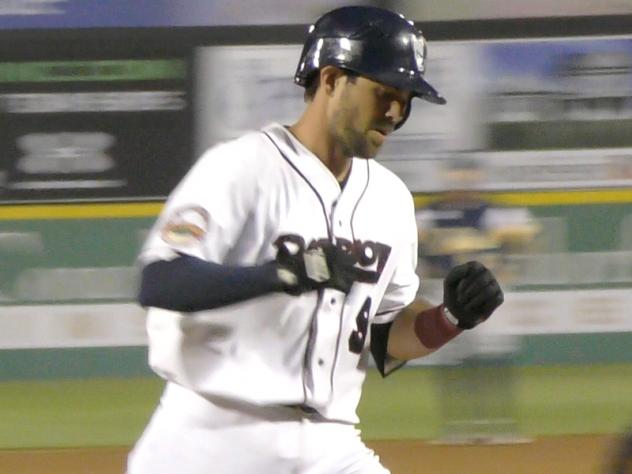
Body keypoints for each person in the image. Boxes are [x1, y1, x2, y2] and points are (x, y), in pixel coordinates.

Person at [126, 6, 504, 474]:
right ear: (330, 79)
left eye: (406, 99)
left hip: (331, 442)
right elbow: (161, 281)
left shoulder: (390, 200)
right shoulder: (241, 168)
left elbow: (384, 341)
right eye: (384, 92)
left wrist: (450, 318)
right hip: (211, 438)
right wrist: (284, 274)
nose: (395, 112)